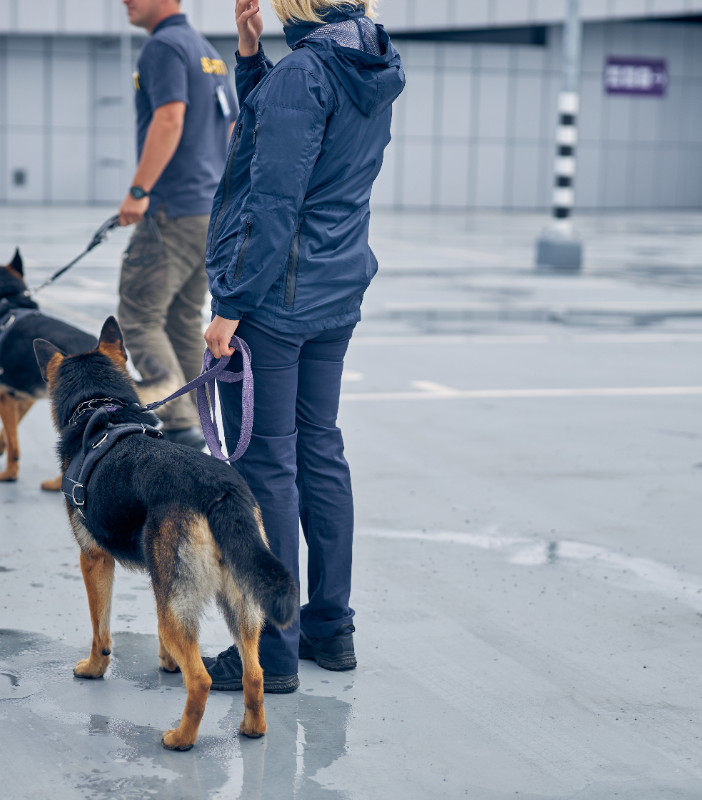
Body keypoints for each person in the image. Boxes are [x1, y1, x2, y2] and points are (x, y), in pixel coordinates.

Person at [201, 0, 404, 693]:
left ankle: (274, 649)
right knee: (320, 448)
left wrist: (229, 305)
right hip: (335, 291)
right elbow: (290, 143)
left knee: (267, 469)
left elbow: (273, 198)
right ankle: (329, 628)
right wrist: (252, 56)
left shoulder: (307, 74)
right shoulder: (368, 62)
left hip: (276, 302)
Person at [116, 0, 238, 450]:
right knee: (182, 319)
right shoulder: (207, 51)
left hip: (173, 208)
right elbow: (232, 132)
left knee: (139, 315)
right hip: (208, 208)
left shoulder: (163, 47)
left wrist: (140, 190)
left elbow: (169, 118)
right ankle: (197, 424)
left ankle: (178, 423)